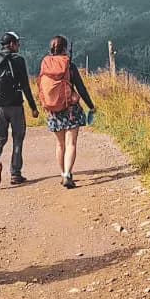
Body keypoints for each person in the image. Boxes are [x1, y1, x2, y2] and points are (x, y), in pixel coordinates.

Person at [37, 36, 97, 188]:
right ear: (64, 49)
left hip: (53, 110)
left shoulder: (45, 65)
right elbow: (81, 89)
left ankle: (62, 172)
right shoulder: (69, 66)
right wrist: (91, 106)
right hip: (71, 109)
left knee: (60, 144)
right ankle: (68, 175)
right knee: (71, 143)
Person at [0, 31, 38, 186]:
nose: (19, 45)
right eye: (18, 43)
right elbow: (25, 86)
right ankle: (15, 174)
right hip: (15, 106)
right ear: (12, 44)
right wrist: (33, 107)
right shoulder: (18, 60)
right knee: (18, 139)